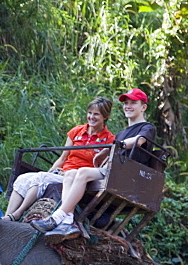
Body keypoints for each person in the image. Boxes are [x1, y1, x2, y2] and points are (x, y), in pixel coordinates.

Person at [31, 88, 157, 241]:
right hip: (114, 169)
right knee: (71, 173)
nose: (128, 106)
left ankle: (57, 216)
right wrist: (106, 152)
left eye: (133, 103)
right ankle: (67, 220)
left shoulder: (147, 127)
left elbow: (139, 141)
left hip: (127, 175)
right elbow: (115, 150)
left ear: (143, 107)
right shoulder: (123, 132)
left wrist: (114, 147)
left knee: (83, 172)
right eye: (126, 103)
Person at [2, 97, 115, 221]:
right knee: (23, 178)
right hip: (63, 172)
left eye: (96, 114)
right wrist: (52, 171)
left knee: (40, 178)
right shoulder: (77, 131)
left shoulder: (109, 139)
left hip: (77, 179)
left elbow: (99, 168)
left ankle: (18, 213)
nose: (91, 117)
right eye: (90, 113)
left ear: (105, 116)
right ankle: (7, 216)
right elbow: (63, 158)